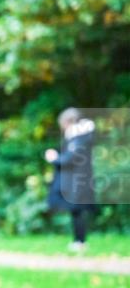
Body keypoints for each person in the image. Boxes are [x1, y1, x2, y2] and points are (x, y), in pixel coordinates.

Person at [46, 108, 96, 252]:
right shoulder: (80, 137)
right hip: (77, 181)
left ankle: (80, 242)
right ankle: (78, 241)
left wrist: (54, 158)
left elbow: (70, 159)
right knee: (76, 212)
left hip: (77, 182)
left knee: (77, 211)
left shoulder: (79, 138)